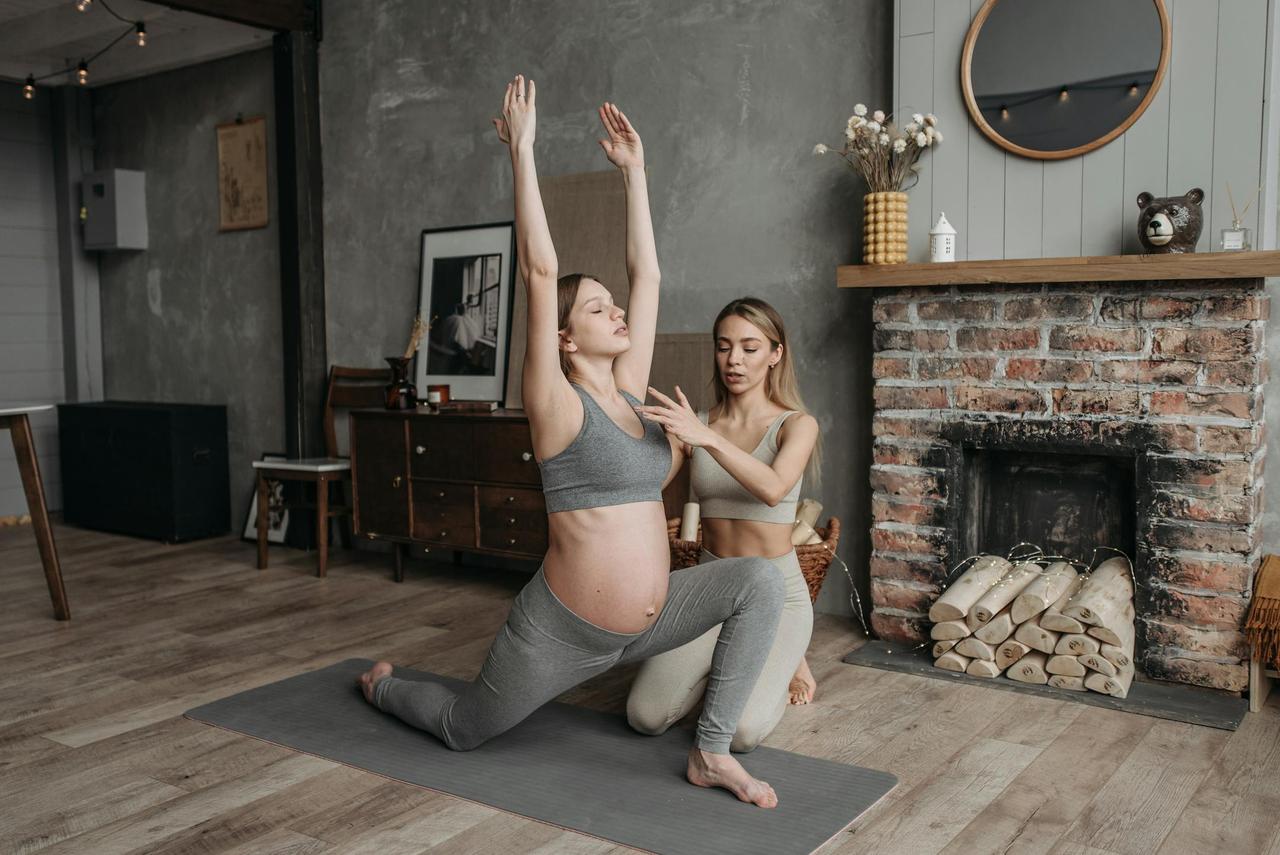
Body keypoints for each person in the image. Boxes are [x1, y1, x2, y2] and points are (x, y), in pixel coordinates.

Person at [358, 75, 785, 808]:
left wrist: (636, 174)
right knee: (464, 727)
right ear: (564, 335)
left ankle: (710, 753)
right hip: (561, 633)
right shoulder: (553, 403)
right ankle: (382, 685)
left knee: (758, 580)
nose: (617, 311)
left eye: (613, 306)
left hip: (649, 622)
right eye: (598, 307)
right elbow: (540, 269)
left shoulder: (628, 390)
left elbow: (648, 274)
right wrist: (522, 152)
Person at [627, 298, 820, 752]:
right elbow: (646, 485)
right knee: (644, 717)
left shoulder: (797, 425)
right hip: (710, 588)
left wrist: (707, 439)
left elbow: (773, 488)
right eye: (724, 346)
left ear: (776, 353)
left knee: (740, 735)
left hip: (776, 593)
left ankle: (789, 654)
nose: (734, 359)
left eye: (750, 348)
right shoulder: (693, 424)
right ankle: (733, 660)